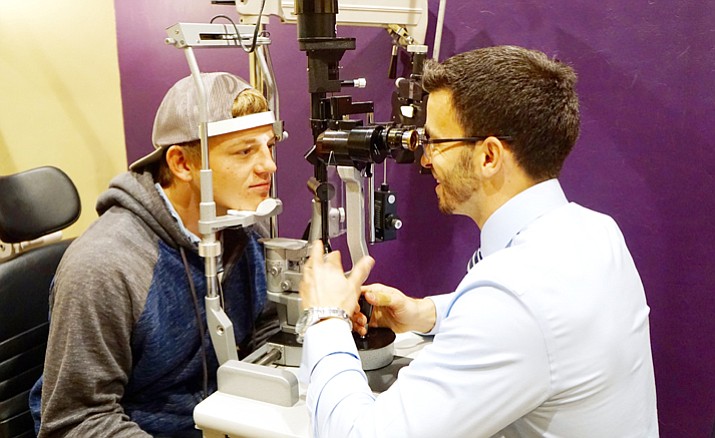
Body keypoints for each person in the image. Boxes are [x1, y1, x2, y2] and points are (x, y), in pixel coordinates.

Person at [297, 46, 659, 437]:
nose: (425, 159)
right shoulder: (595, 232)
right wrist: (426, 313)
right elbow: (539, 326)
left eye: (435, 142)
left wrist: (325, 317)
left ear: (489, 156)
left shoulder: (514, 295)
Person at [29, 72, 280, 437]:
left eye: (268, 146)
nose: (268, 166)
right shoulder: (106, 267)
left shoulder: (239, 229)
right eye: (245, 151)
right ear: (182, 164)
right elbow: (74, 421)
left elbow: (265, 332)